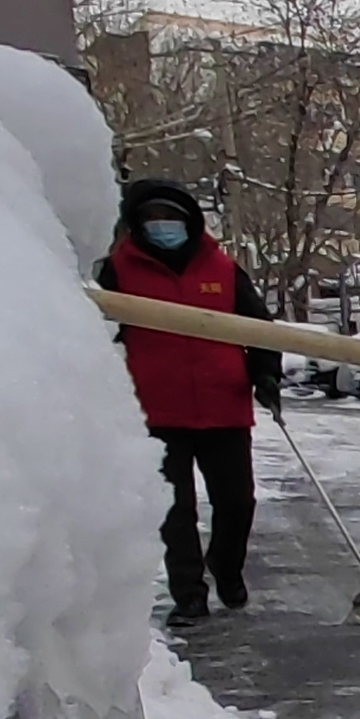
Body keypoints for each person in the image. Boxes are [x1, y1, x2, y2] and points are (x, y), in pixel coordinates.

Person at [101, 178, 283, 625]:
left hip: (224, 406)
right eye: (151, 219)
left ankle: (226, 565)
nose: (163, 226)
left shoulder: (221, 269)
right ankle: (189, 593)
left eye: (171, 218)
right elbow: (99, 333)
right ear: (135, 225)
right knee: (174, 509)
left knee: (237, 502)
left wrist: (265, 374)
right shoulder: (117, 274)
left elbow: (259, 325)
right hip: (157, 411)